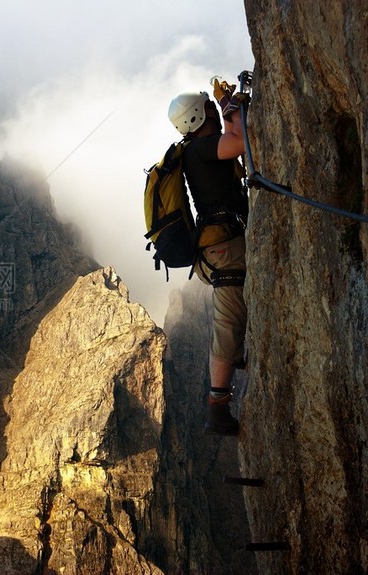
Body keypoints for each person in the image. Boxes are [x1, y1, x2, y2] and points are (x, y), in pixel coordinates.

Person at [168, 83, 248, 435]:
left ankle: (236, 360)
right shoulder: (202, 148)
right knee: (227, 324)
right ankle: (217, 405)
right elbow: (240, 143)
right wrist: (230, 107)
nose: (213, 110)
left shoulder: (196, 148)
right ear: (200, 115)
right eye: (208, 107)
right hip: (224, 251)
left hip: (217, 247)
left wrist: (228, 108)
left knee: (233, 317)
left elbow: (231, 141)